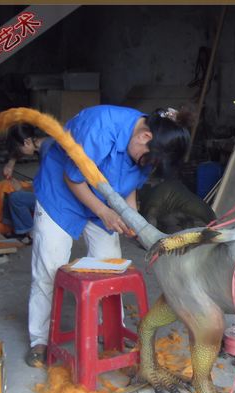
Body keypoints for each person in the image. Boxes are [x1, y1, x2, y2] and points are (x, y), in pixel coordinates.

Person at [25, 105, 192, 367]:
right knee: (50, 267)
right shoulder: (99, 127)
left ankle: (111, 331)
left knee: (110, 268)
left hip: (105, 199)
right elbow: (73, 179)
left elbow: (129, 186)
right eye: (149, 161)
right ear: (144, 137)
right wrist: (104, 212)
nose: (149, 165)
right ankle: (40, 340)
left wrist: (132, 219)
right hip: (62, 193)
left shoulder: (151, 146)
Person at [1, 124, 48, 242]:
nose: (18, 153)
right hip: (49, 191)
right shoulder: (42, 144)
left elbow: (48, 189)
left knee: (16, 198)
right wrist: (10, 164)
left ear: (27, 142)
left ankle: (30, 232)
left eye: (18, 148)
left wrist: (22, 189)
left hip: (58, 200)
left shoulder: (49, 152)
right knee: (8, 195)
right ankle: (15, 229)